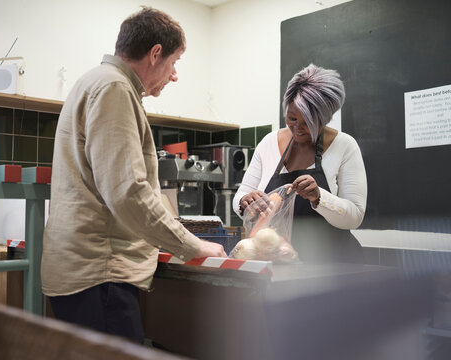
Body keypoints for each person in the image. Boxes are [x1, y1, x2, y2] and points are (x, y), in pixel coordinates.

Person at [41, 7, 226, 344]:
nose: (174, 75)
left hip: (84, 274)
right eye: (174, 61)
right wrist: (192, 245)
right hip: (100, 275)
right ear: (155, 53)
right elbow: (127, 192)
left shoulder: (93, 81)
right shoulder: (114, 89)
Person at [233, 64, 367, 264]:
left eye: (308, 122)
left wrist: (320, 197)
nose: (298, 129)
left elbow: (354, 216)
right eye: (292, 118)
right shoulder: (269, 143)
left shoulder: (345, 146)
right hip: (279, 262)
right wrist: (246, 201)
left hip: (334, 266)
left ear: (325, 118)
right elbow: (240, 197)